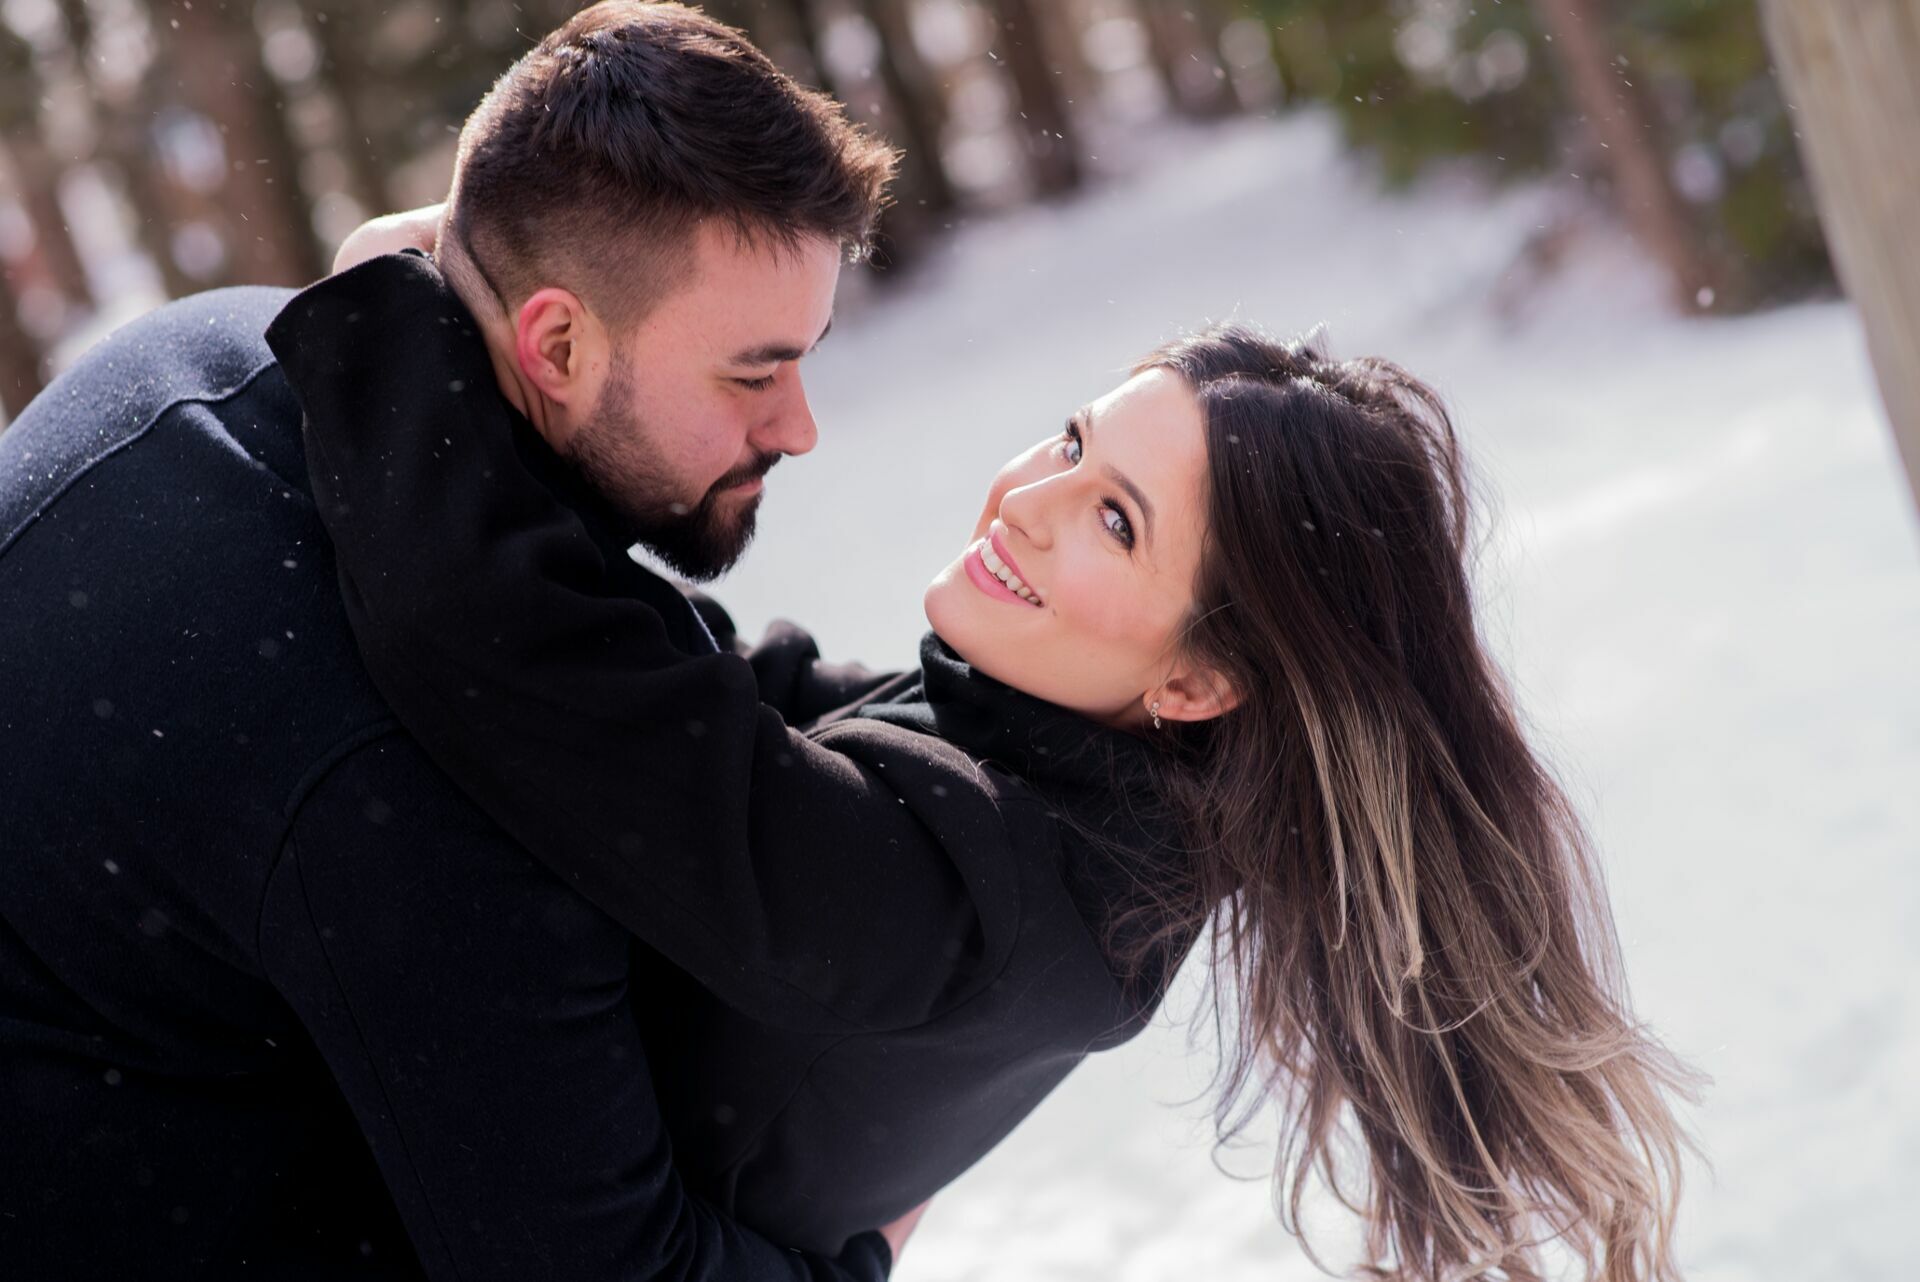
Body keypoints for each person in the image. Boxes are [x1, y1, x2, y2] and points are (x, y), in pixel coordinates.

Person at [285, 245, 1703, 1278]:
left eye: (1116, 520)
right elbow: (710, 696)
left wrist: (394, 309)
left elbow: (516, 665)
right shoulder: (1072, 782)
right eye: (1074, 440)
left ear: (1200, 677)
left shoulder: (993, 889)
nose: (1026, 498)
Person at [0, 4, 916, 1278]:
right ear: (554, 341)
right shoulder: (411, 761)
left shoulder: (223, 349)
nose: (799, 425)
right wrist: (852, 1246)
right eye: (753, 374)